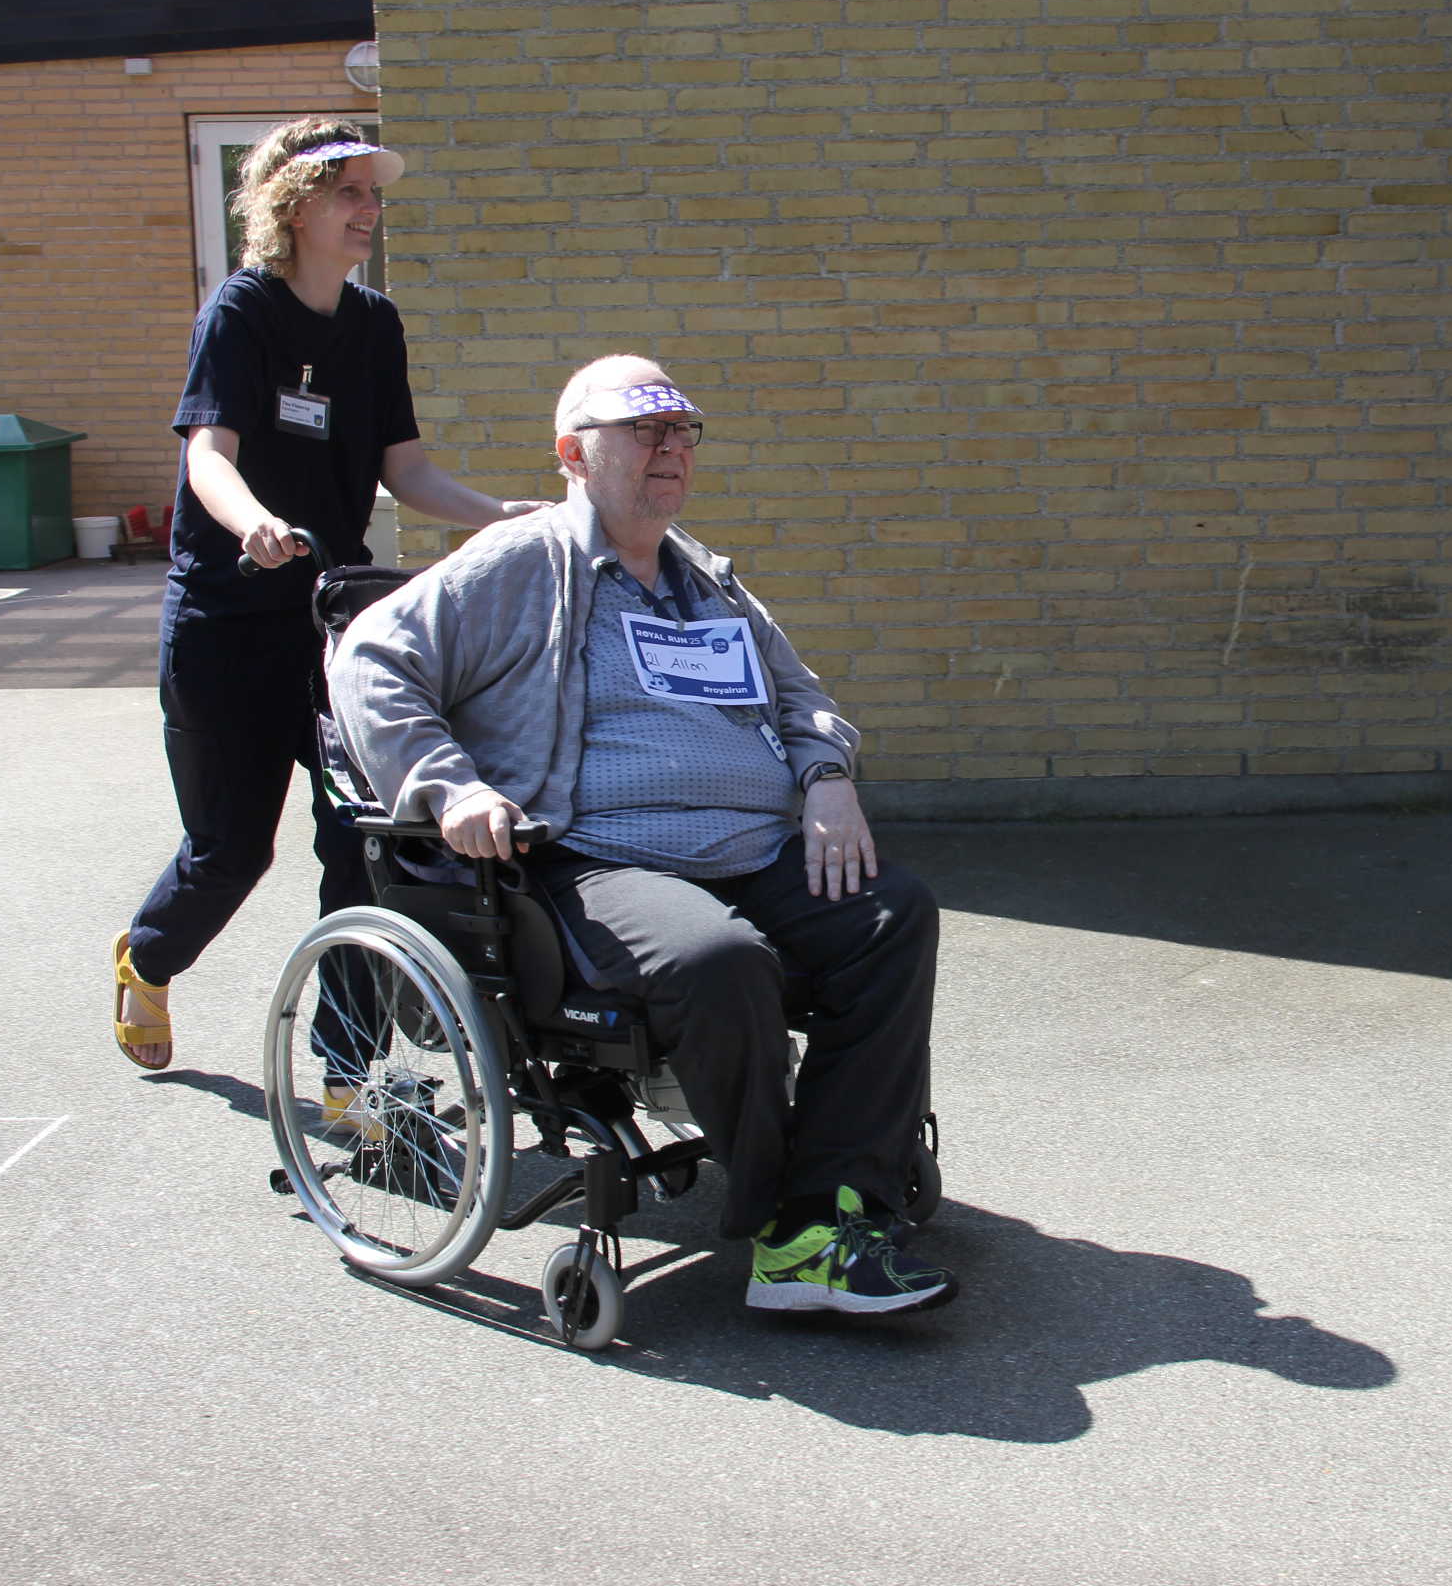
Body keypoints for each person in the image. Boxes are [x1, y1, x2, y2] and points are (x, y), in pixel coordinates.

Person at [327, 354, 957, 1317]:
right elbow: (371, 657)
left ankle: (840, 1197)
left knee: (892, 914)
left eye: (681, 430)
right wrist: (448, 785)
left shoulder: (705, 576)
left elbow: (800, 696)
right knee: (720, 961)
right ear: (574, 454)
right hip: (594, 856)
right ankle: (791, 1235)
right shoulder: (522, 561)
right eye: (644, 430)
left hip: (749, 848)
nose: (671, 448)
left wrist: (827, 777)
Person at [112, 116, 539, 1072]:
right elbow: (208, 456)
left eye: (373, 194)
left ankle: (350, 1069)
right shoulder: (241, 312)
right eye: (348, 192)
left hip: (333, 623)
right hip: (225, 622)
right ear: (292, 204)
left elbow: (406, 470)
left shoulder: (375, 323)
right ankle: (148, 957)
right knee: (231, 850)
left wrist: (495, 515)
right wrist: (252, 523)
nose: (368, 209)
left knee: (359, 845)